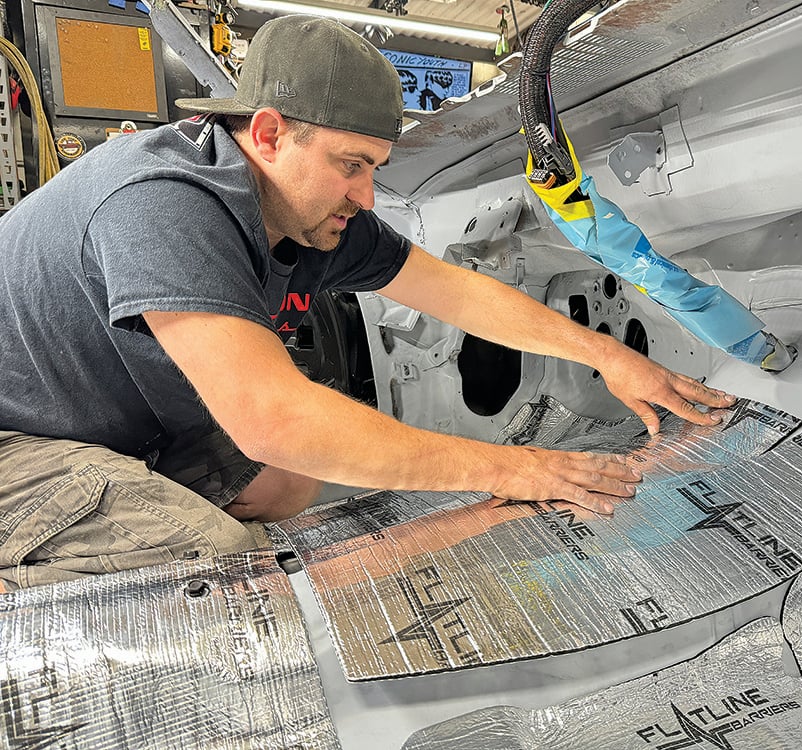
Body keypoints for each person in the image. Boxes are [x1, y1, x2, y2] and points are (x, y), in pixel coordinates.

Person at [0, 15, 735, 589]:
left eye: (376, 169)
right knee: (215, 565)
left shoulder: (304, 208)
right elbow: (273, 419)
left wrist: (605, 355)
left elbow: (455, 291)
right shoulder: (163, 204)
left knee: (290, 483)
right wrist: (510, 468)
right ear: (268, 134)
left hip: (104, 422)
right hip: (16, 441)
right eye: (351, 167)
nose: (366, 196)